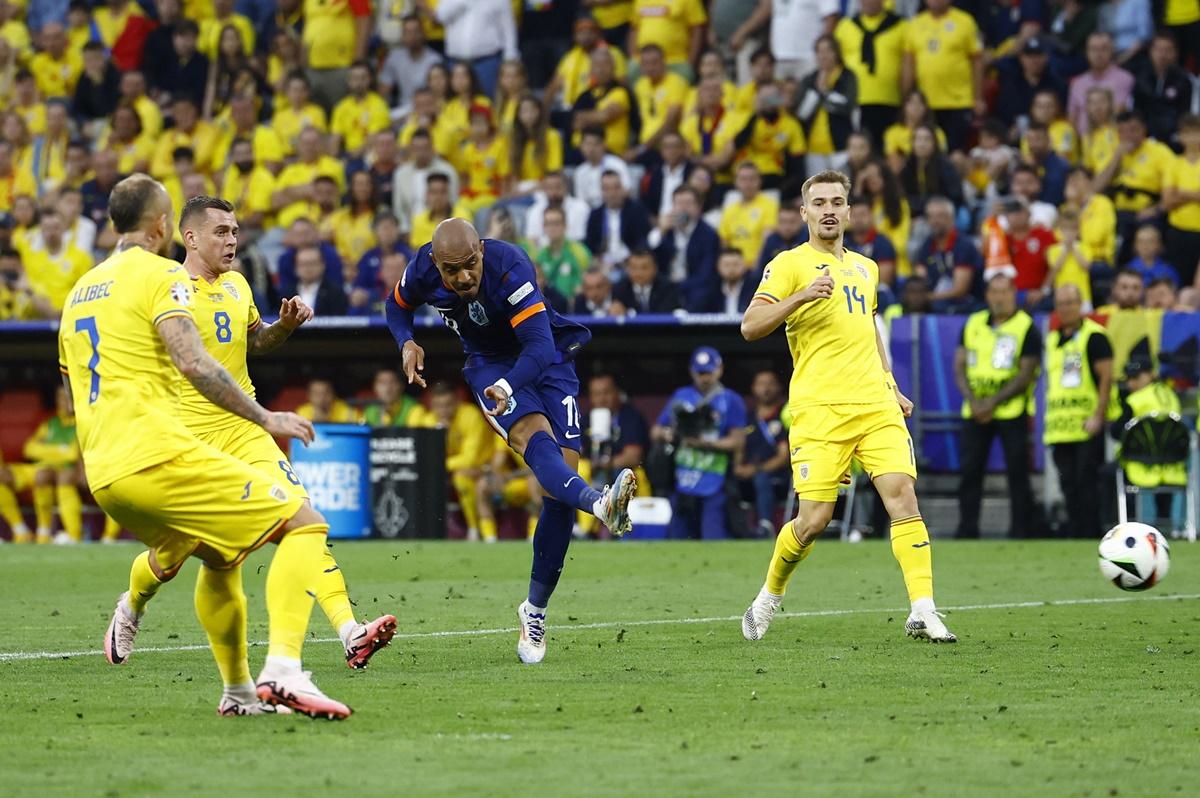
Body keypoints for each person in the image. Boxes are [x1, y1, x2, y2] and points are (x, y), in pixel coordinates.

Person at [60, 177, 356, 718]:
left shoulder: (80, 290)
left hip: (105, 471)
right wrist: (267, 416)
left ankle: (239, 694)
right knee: (304, 523)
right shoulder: (164, 274)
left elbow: (72, 385)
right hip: (162, 452)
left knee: (220, 560)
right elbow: (192, 362)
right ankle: (284, 673)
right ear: (163, 227)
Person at [385, 218, 636, 664]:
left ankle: (533, 611)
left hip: (545, 359)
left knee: (558, 490)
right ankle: (600, 505)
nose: (462, 277)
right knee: (538, 446)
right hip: (485, 363)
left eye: (469, 266)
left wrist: (508, 386)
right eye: (451, 271)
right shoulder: (421, 268)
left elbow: (538, 349)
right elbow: (395, 305)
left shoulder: (510, 267)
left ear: (481, 251)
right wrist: (406, 342)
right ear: (435, 264)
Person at [740, 168, 956, 643]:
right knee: (814, 520)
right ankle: (768, 596)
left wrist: (891, 384)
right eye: (819, 203)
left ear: (849, 210)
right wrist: (800, 296)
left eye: (837, 202)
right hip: (820, 410)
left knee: (902, 494)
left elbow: (870, 330)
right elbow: (750, 325)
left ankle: (923, 609)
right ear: (804, 213)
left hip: (875, 404)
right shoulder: (789, 263)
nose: (829, 210)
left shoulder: (866, 267)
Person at [954, 274, 1043, 539]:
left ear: (1014, 293)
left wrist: (991, 403)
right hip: (974, 409)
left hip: (1010, 410)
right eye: (994, 292)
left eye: (1004, 292)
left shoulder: (1026, 327)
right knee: (970, 472)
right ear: (987, 294)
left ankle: (1020, 530)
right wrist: (973, 401)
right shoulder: (973, 323)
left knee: (1017, 473)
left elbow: (1025, 374)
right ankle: (967, 530)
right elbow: (959, 366)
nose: (999, 297)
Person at [651, 347, 746, 540]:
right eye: (701, 372)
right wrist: (670, 434)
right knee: (677, 539)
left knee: (713, 537)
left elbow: (737, 441)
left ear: (719, 369)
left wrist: (704, 443)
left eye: (709, 372)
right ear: (692, 371)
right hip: (682, 479)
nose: (705, 377)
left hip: (715, 480)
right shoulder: (681, 396)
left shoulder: (730, 400)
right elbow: (656, 431)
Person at [1044, 283, 1114, 539]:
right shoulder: (1052, 339)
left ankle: (1091, 533)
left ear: (1081, 304)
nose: (1066, 308)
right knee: (1068, 485)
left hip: (1086, 424)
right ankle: (1076, 533)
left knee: (1087, 483)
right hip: (1060, 428)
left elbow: (1106, 378)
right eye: (1061, 303)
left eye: (1071, 303)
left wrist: (1099, 414)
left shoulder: (1095, 336)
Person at [901, 0, 984, 153]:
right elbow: (909, 63)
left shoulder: (965, 21)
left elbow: (977, 62)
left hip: (958, 102)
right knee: (925, 152)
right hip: (925, 105)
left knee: (955, 152)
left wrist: (978, 98)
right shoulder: (914, 24)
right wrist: (906, 98)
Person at [833, 0, 907, 149]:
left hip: (890, 99)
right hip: (856, 100)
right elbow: (836, 63)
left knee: (886, 148)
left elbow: (908, 64)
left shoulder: (900, 26)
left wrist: (905, 96)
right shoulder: (846, 26)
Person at [429, 380, 495, 542]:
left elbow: (469, 460)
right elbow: (425, 457)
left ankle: (475, 530)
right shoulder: (430, 420)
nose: (443, 410)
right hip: (449, 473)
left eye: (448, 404)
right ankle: (428, 531)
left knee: (461, 478)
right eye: (438, 405)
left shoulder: (470, 415)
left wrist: (439, 466)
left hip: (485, 469)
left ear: (457, 401)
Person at [735, 369, 790, 538]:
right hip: (749, 474)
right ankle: (736, 530)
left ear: (779, 387)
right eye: (761, 384)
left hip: (779, 477)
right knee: (727, 480)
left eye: (770, 383)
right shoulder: (748, 417)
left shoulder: (784, 414)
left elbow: (784, 455)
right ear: (753, 388)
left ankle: (765, 526)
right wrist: (738, 467)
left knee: (761, 479)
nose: (765, 388)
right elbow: (739, 445)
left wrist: (757, 469)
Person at [795, 35, 858, 176]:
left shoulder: (847, 76)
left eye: (828, 51)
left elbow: (847, 106)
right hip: (813, 148)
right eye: (819, 52)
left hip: (840, 146)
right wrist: (818, 92)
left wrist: (825, 93)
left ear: (836, 53)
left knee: (842, 190)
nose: (824, 56)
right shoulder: (809, 79)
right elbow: (801, 113)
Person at [649, 184, 720, 308]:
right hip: (664, 288)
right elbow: (647, 258)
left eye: (688, 203)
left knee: (703, 293)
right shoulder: (666, 231)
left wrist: (677, 287)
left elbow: (706, 274)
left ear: (699, 206)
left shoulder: (708, 234)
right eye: (679, 203)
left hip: (694, 288)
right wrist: (660, 231)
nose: (683, 208)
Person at [914, 196, 979, 314]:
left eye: (940, 216)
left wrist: (927, 298)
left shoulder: (963, 245)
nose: (935, 221)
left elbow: (960, 290)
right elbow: (920, 279)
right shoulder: (927, 245)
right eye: (930, 216)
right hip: (935, 300)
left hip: (966, 303)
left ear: (952, 218)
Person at [1067, 32, 1134, 137]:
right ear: (1087, 52)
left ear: (1112, 51)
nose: (1098, 54)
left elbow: (1120, 112)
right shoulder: (1078, 83)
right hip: (1083, 144)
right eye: (1093, 49)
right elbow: (1072, 119)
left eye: (1104, 49)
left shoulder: (1124, 79)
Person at [585, 170, 652, 270]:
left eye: (616, 187)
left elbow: (642, 241)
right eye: (607, 189)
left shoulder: (637, 210)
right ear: (601, 191)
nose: (612, 193)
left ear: (623, 188)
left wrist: (628, 261)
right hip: (603, 265)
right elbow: (590, 245)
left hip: (630, 263)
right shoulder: (595, 215)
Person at [1133, 31, 1191, 146]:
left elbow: (1185, 113)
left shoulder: (1184, 80)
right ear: (1151, 52)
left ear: (1175, 53)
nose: (1163, 55)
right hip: (1146, 140)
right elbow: (1137, 111)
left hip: (1175, 140)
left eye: (1168, 50)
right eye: (1159, 50)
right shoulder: (1141, 79)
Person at [1163, 114, 1200, 287]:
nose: (1193, 138)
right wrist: (1195, 195)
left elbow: (1175, 196)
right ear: (1181, 136)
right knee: (1178, 280)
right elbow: (1168, 201)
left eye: (1196, 133)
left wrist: (1182, 193)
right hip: (1179, 232)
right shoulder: (1174, 164)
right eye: (1188, 133)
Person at [719, 162, 779, 266]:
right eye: (743, 179)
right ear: (736, 182)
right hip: (734, 266)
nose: (748, 184)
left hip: (758, 266)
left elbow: (767, 240)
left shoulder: (770, 205)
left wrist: (756, 266)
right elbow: (723, 242)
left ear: (759, 181)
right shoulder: (730, 210)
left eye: (752, 179)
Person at [379, 14, 442, 111]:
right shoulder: (394, 57)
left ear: (423, 34)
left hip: (427, 109)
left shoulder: (435, 60)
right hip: (402, 109)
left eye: (416, 31)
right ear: (402, 36)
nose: (412, 36)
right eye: (408, 32)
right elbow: (384, 90)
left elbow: (439, 94)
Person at [533, 206, 591, 300]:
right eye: (548, 224)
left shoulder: (580, 252)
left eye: (556, 223)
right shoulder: (540, 256)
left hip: (572, 309)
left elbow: (588, 283)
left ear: (565, 226)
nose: (552, 228)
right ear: (543, 227)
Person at [524, 172, 590, 248]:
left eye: (558, 187)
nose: (554, 192)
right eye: (549, 188)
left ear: (566, 187)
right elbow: (532, 241)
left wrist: (543, 240)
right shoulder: (534, 210)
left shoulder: (580, 208)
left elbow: (576, 240)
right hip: (541, 256)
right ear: (544, 189)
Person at [573, 127, 632, 209]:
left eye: (595, 144)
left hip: (614, 207)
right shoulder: (580, 172)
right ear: (581, 146)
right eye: (588, 144)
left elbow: (626, 191)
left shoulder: (617, 164)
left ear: (604, 145)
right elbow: (581, 201)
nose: (591, 149)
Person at [611, 248, 680, 315]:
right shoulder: (619, 289)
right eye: (633, 267)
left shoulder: (668, 288)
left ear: (655, 269)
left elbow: (665, 314)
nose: (638, 273)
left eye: (644, 268)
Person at [695, 247, 758, 315]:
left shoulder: (755, 289)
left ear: (744, 266)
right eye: (726, 265)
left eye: (736, 264)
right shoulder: (711, 289)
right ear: (718, 267)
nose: (731, 269)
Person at [360, 367, 428, 427]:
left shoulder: (414, 409)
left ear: (402, 386)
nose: (388, 388)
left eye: (392, 382)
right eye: (382, 383)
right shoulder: (369, 410)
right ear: (374, 387)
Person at [293, 245, 349, 317]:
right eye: (303, 264)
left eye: (313, 263)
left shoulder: (335, 292)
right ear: (295, 267)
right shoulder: (286, 293)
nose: (308, 268)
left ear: (322, 265)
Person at [757, 202, 807, 270]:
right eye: (783, 222)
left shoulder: (809, 239)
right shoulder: (771, 240)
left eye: (792, 222)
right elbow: (761, 269)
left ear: (801, 221)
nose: (787, 227)